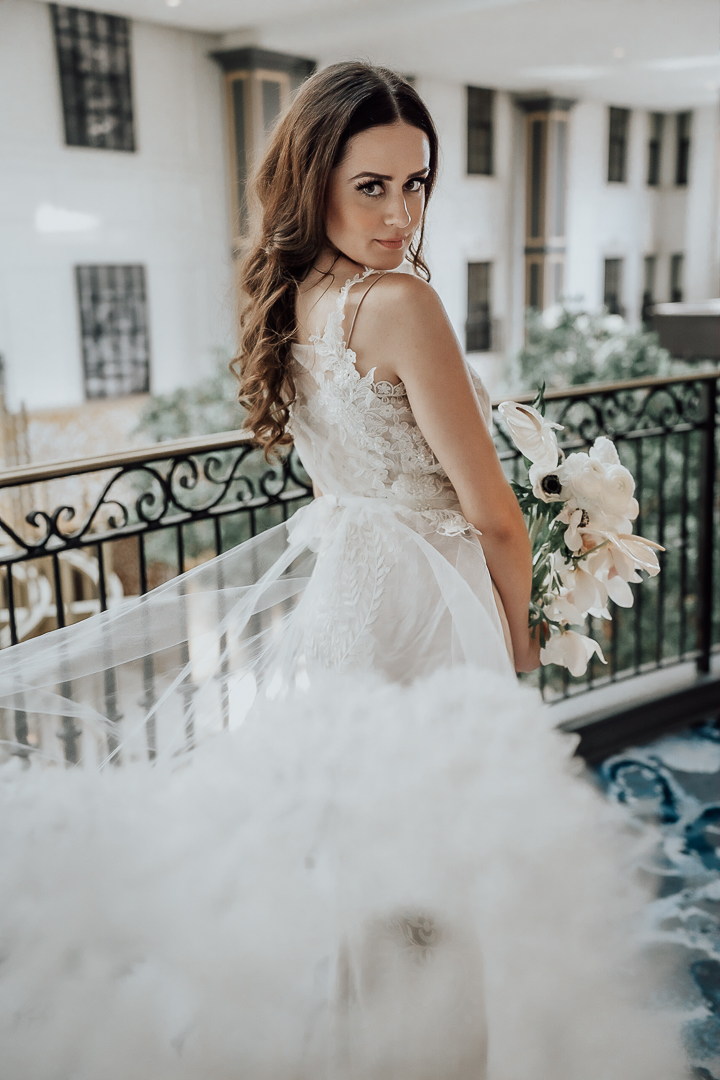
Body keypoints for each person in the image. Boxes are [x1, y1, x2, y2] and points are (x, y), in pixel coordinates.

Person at [0, 63, 687, 1079]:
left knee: (378, 879)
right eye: (374, 185)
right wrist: (524, 640)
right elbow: (495, 516)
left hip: (347, 606)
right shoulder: (400, 302)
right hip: (432, 605)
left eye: (416, 184)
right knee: (445, 889)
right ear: (318, 176)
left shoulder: (296, 292)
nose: (402, 212)